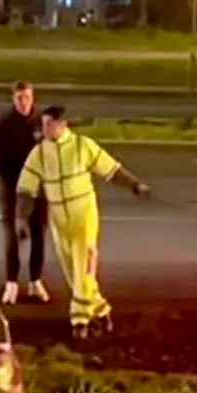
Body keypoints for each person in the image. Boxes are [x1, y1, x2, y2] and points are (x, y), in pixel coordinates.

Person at [14, 105, 152, 339]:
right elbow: (26, 189)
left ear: (62, 124)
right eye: (43, 125)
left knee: (82, 263)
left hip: (83, 214)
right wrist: (21, 218)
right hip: (58, 218)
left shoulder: (82, 146)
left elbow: (111, 169)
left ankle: (79, 319)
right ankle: (99, 308)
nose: (45, 129)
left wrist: (135, 185)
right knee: (71, 268)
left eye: (49, 124)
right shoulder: (38, 154)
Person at [0, 81, 49, 305]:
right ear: (13, 99)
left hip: (39, 191)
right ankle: (11, 283)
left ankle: (36, 281)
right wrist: (13, 178)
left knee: (38, 236)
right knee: (14, 236)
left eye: (27, 97)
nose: (23, 102)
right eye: (19, 98)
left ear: (33, 98)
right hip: (14, 190)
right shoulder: (6, 124)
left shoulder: (42, 122)